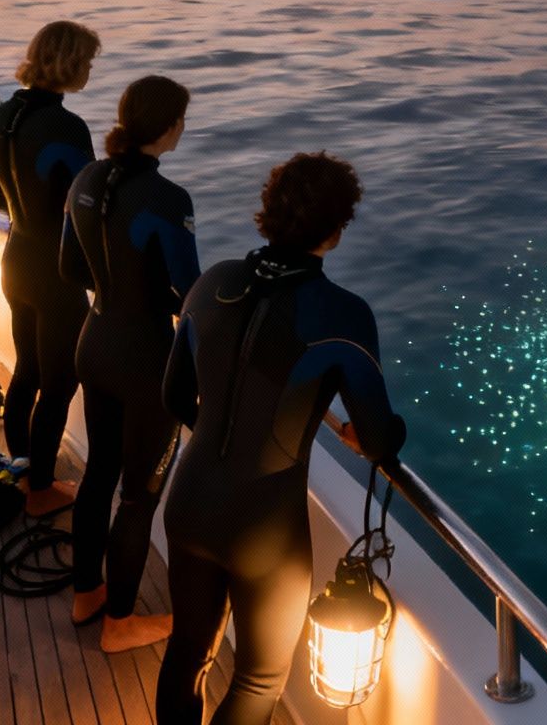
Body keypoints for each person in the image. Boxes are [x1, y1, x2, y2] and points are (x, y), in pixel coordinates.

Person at [156, 152, 406, 725]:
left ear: (266, 213)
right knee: (258, 680)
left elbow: (175, 398)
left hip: (190, 499)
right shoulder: (345, 314)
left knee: (186, 655)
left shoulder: (211, 283)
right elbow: (376, 441)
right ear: (337, 229)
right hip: (264, 526)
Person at [59, 75, 198, 653]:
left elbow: (71, 268)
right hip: (146, 362)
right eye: (181, 120)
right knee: (140, 495)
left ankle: (87, 592)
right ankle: (120, 622)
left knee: (98, 473)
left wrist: (120, 295)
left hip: (96, 342)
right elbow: (188, 290)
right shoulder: (169, 200)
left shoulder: (86, 177)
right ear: (168, 128)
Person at [0, 20, 100, 515]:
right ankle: (41, 490)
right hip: (56, 271)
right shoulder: (67, 128)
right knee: (59, 382)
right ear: (70, 64)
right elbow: (90, 205)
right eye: (87, 61)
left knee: (27, 369)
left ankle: (22, 469)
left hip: (17, 261)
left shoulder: (4, 115)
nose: (90, 69)